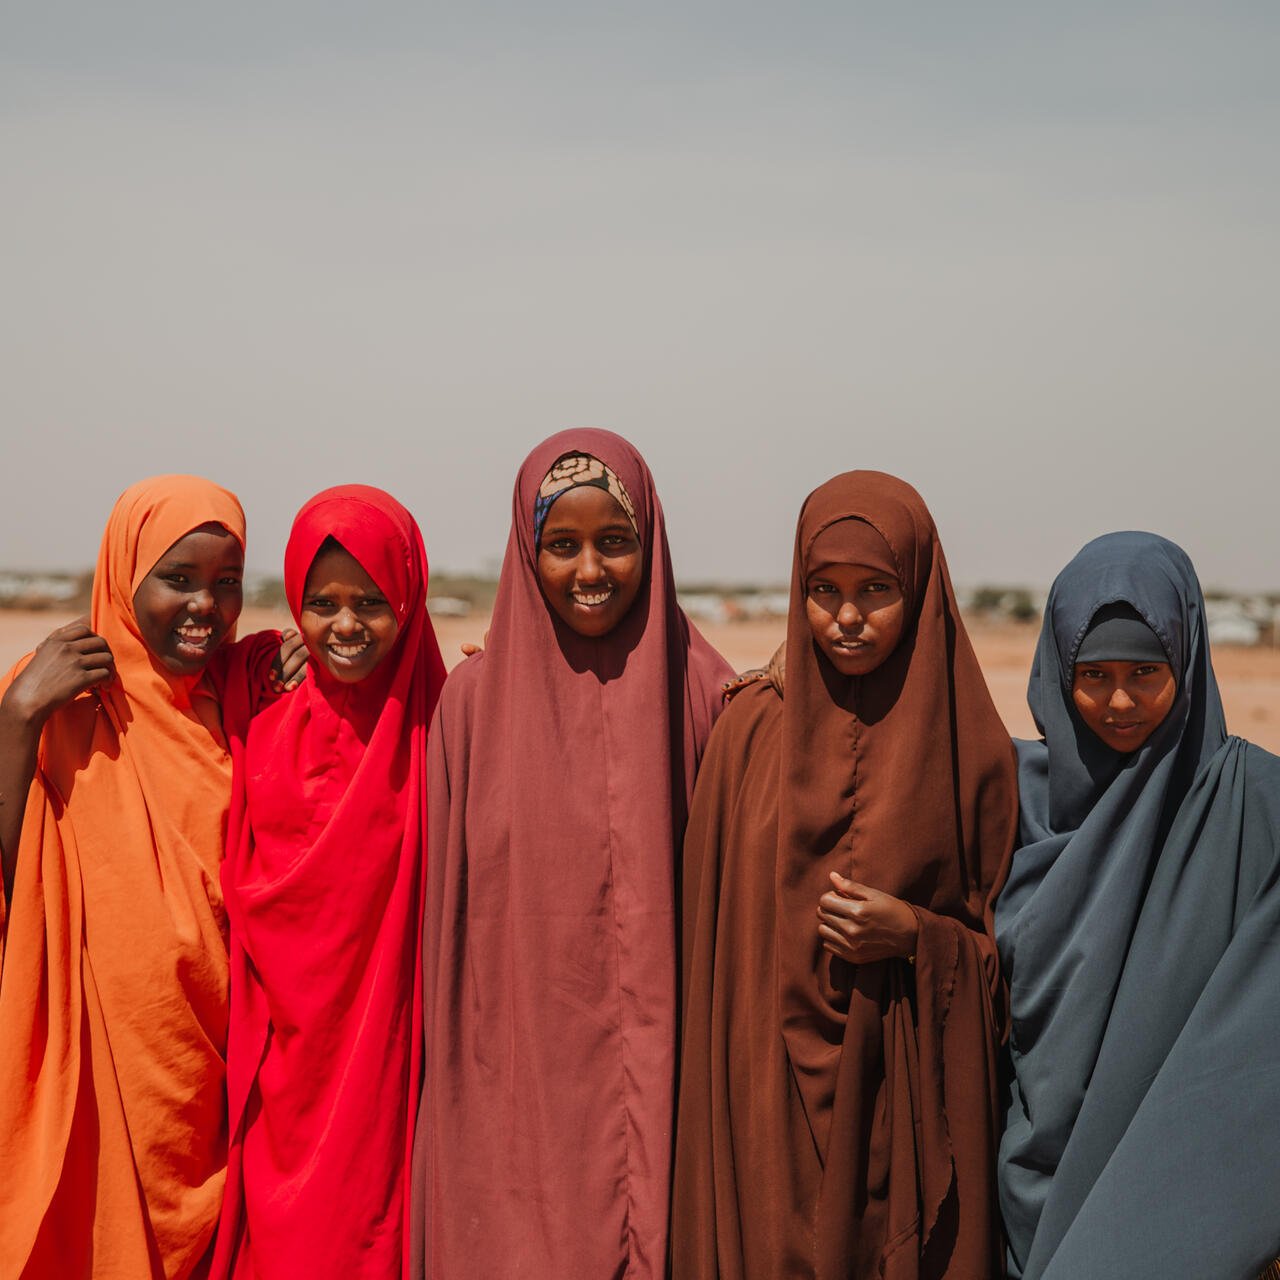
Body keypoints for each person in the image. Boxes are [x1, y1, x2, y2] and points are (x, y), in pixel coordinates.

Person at [671, 470, 1018, 1280]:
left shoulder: (976, 755)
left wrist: (918, 937)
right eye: (822, 589)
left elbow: (1016, 973)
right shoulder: (748, 734)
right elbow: (713, 959)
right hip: (764, 1128)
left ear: (923, 588)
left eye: (876, 589)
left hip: (909, 1128)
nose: (848, 616)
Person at [409, 429, 734, 1279]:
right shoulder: (474, 706)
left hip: (672, 1084)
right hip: (519, 1090)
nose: (590, 571)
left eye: (614, 542)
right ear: (526, 551)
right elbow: (448, 923)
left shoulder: (709, 695)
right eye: (562, 545)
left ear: (651, 543)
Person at [0, 475, 287, 1280]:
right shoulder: (59, 699)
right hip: (98, 1070)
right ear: (126, 579)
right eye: (179, 580)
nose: (205, 606)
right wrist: (17, 718)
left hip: (211, 1078)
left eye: (226, 584)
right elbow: (11, 876)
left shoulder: (243, 697)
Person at [996, 531, 1280, 1280]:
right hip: (1023, 1193)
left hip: (1185, 1203)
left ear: (1186, 665)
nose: (1119, 702)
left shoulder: (1254, 807)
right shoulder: (1014, 801)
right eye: (1093, 675)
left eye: (1146, 674)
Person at [212, 485, 447, 1280]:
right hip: (279, 1069)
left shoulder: (448, 723)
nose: (345, 626)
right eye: (322, 603)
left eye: (372, 602)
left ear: (410, 600)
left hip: (389, 1067)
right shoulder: (258, 704)